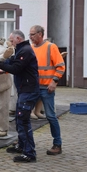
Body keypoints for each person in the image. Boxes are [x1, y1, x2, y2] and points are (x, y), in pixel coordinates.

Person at [0, 29, 39, 163]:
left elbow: (16, 68)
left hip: (29, 90)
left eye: (12, 40)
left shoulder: (25, 50)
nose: (10, 43)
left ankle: (29, 153)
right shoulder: (21, 49)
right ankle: (21, 145)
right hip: (25, 89)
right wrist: (3, 67)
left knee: (23, 120)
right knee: (19, 119)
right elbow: (12, 62)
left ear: (18, 39)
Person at [29, 25, 65, 155]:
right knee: (24, 114)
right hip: (33, 88)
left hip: (46, 88)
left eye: (32, 34)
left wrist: (54, 81)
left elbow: (60, 66)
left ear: (40, 34)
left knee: (50, 116)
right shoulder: (31, 48)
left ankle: (57, 144)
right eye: (30, 35)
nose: (30, 37)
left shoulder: (51, 47)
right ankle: (23, 141)